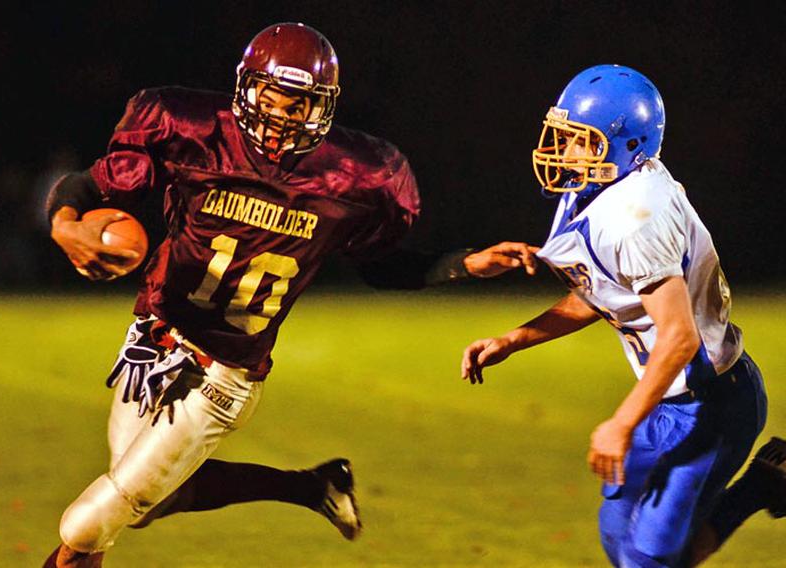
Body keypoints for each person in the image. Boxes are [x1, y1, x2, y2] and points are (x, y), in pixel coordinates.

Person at [43, 23, 538, 568]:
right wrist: (64, 223)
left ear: (323, 106)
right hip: (152, 341)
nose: (283, 116)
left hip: (225, 373)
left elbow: (383, 267)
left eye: (300, 104)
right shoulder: (193, 130)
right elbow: (91, 185)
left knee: (86, 526)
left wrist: (466, 265)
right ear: (247, 88)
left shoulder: (356, 177)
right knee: (145, 505)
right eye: (273, 98)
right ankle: (313, 488)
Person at [461, 65, 786, 566]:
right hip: (668, 398)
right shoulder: (603, 191)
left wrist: (621, 422)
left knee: (648, 561)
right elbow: (602, 296)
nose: (566, 152)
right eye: (566, 137)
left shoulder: (635, 216)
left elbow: (680, 338)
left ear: (628, 145)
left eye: (582, 142)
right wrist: (515, 339)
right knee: (620, 541)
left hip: (709, 405)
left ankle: (757, 489)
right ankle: (765, 485)